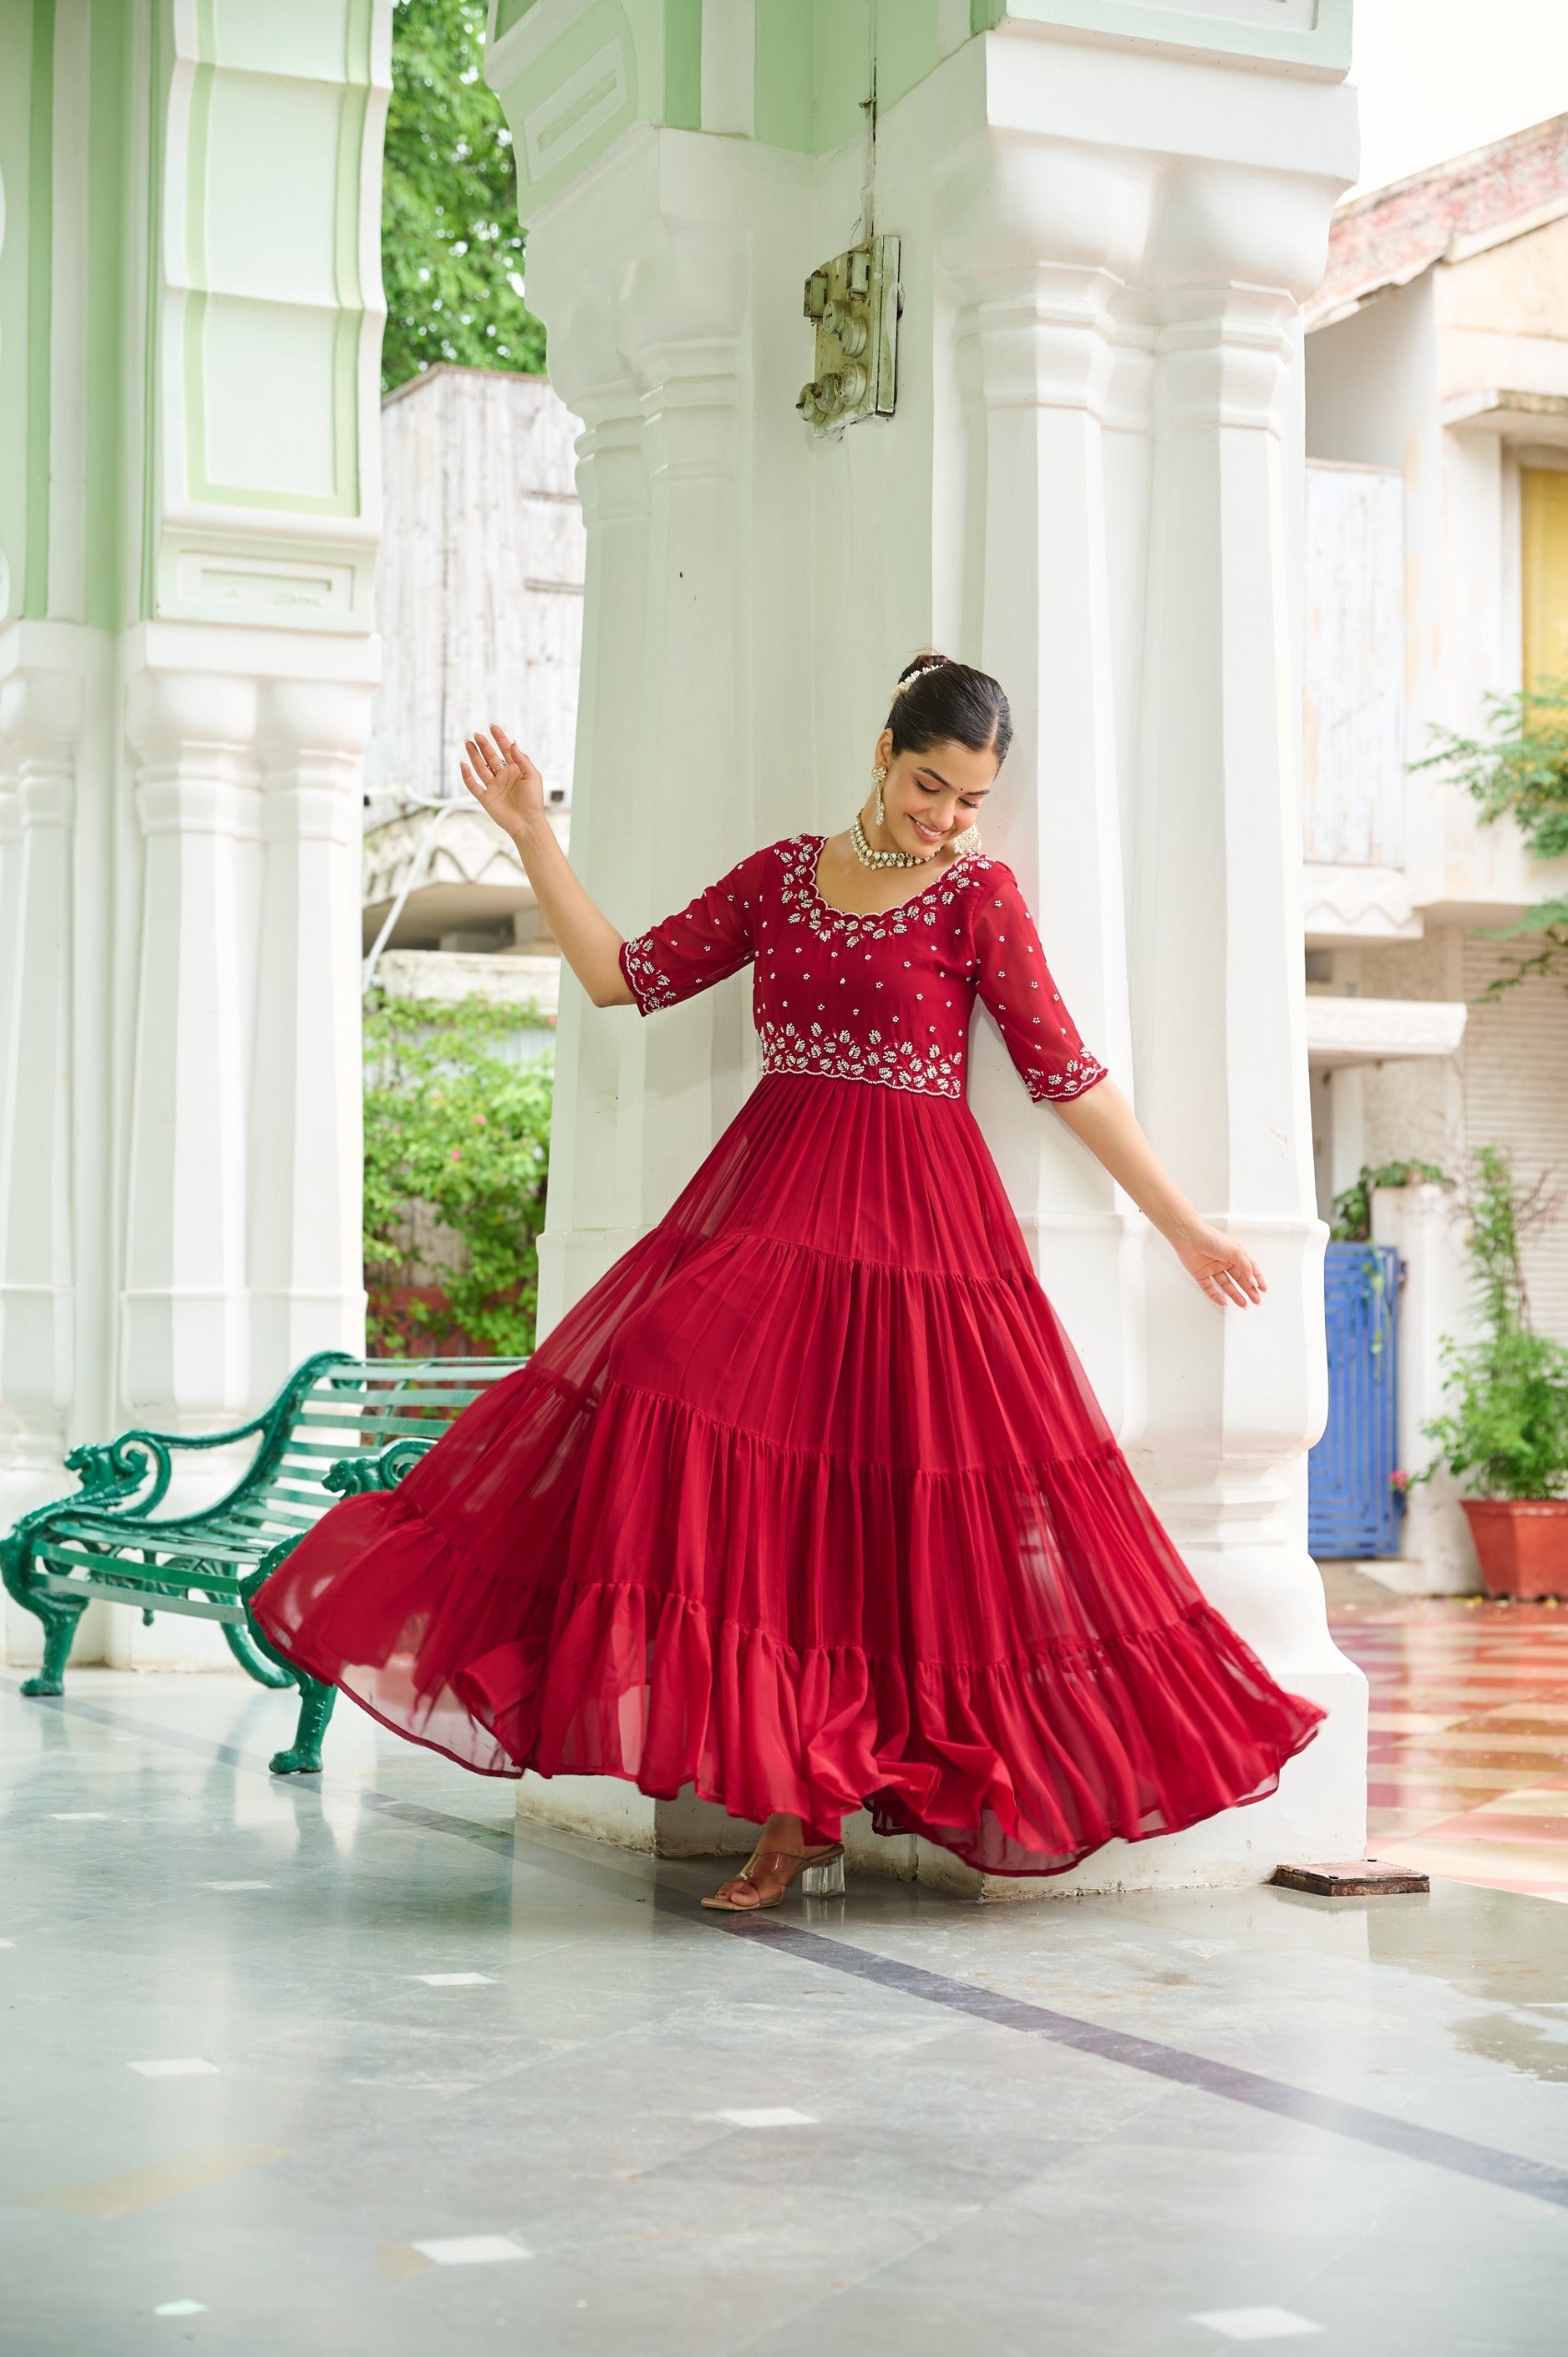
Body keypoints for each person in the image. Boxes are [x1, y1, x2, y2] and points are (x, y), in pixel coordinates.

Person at [254, 655, 1322, 1910]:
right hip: (771, 1200)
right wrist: (537, 834)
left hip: (917, 1235)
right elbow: (622, 977)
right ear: (884, 750)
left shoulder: (977, 896)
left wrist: (1184, 1226)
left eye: (971, 800)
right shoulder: (781, 877)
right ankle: (779, 1782)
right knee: (665, 1381)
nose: (947, 817)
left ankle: (801, 1808)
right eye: (933, 785)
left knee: (883, 1517)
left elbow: (1064, 1072)